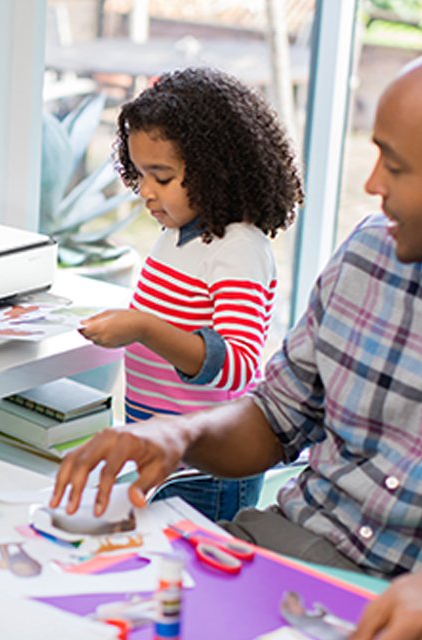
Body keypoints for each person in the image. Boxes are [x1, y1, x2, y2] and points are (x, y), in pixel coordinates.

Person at [52, 41, 422, 639]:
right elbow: (274, 418)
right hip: (280, 554)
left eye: (395, 166)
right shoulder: (370, 255)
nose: (372, 186)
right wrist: (173, 434)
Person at [77, 67, 303, 522]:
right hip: (163, 454)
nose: (145, 191)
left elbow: (237, 364)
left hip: (208, 471)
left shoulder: (238, 248)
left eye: (161, 177)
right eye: (140, 175)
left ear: (216, 171)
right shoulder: (175, 233)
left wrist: (141, 327)